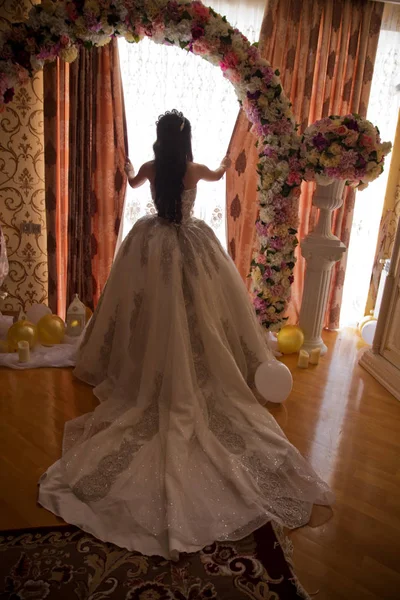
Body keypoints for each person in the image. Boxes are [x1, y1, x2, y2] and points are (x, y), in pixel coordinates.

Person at [38, 109, 333, 560]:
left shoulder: (154, 169)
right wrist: (231, 160)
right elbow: (217, 173)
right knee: (199, 313)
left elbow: (134, 183)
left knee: (149, 312)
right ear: (187, 140)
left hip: (152, 243)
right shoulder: (195, 170)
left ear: (159, 140)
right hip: (190, 244)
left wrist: (130, 170)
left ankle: (140, 365)